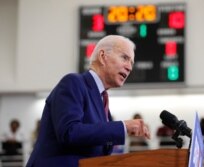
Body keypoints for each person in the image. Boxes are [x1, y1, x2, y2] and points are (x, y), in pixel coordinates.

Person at [26, 35, 150, 167]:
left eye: (131, 63)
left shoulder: (103, 102)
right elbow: (69, 132)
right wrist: (122, 127)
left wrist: (122, 131)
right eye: (125, 58)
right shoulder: (73, 82)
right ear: (103, 56)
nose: (129, 67)